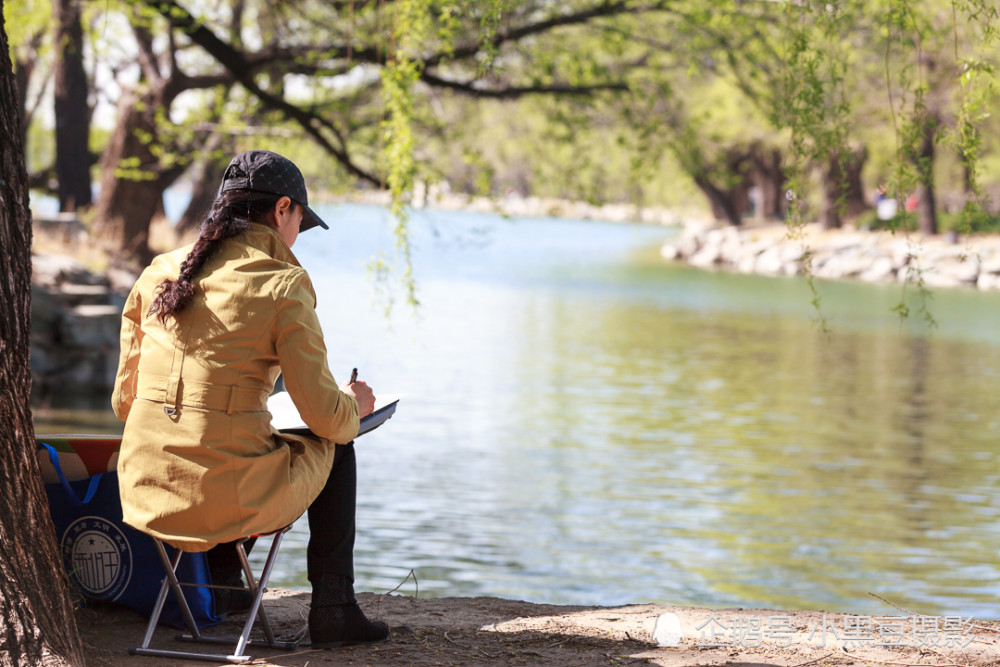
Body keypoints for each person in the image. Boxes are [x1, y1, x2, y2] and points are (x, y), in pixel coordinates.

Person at [111, 149, 389, 647]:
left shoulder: (159, 272)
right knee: (336, 442)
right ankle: (334, 608)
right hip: (220, 500)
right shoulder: (283, 284)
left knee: (239, 438)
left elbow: (126, 404)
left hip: (145, 490)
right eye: (300, 222)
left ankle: (226, 586)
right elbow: (326, 417)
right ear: (283, 209)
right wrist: (354, 403)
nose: (297, 236)